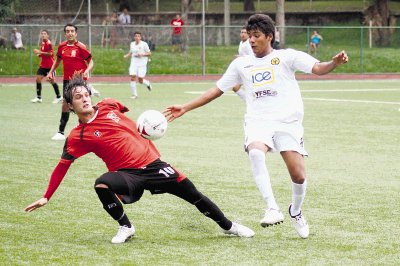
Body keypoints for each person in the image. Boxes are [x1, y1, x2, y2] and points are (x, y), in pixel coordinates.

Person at [164, 14, 348, 239]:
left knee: (299, 176)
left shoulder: (286, 57)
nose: (251, 40)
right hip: (258, 121)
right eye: (249, 36)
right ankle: (272, 207)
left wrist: (334, 63)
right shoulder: (241, 64)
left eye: (256, 36)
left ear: (269, 37)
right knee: (255, 151)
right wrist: (185, 107)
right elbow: (217, 90)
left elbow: (318, 68)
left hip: (288, 122)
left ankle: (296, 211)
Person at [24, 76, 255, 244]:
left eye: (86, 94)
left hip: (154, 164)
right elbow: (62, 166)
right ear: (70, 105)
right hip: (127, 175)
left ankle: (229, 226)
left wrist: (144, 128)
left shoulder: (109, 105)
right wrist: (46, 196)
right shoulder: (78, 136)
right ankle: (126, 227)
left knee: (193, 195)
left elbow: (127, 113)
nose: (84, 99)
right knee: (101, 184)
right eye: (78, 97)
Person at [46, 23, 100, 141]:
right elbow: (57, 61)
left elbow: (91, 62)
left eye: (72, 31)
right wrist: (51, 72)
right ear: (65, 33)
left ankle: (90, 129)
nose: (70, 33)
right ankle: (61, 132)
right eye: (68, 31)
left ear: (76, 33)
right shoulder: (62, 46)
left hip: (79, 80)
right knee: (66, 105)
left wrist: (87, 70)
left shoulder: (81, 47)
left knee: (83, 105)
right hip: (67, 80)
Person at [31, 30, 62, 104]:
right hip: (43, 66)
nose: (43, 35)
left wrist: (39, 52)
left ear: (48, 35)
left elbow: (50, 54)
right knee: (38, 79)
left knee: (51, 81)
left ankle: (59, 97)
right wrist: (40, 55)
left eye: (45, 34)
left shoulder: (49, 43)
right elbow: (44, 54)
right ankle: (39, 97)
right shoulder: (43, 42)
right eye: (42, 34)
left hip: (50, 66)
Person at [123, 32, 152, 99]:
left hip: (142, 63)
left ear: (140, 37)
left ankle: (147, 83)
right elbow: (131, 52)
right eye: (136, 36)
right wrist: (127, 56)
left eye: (138, 36)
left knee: (140, 80)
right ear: (134, 37)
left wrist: (142, 54)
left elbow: (149, 53)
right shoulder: (132, 44)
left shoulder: (144, 44)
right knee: (133, 77)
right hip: (134, 62)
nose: (137, 37)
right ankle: (135, 95)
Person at [232, 26, 252, 102]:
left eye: (245, 33)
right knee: (235, 87)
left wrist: (240, 57)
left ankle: (251, 103)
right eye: (241, 32)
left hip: (249, 70)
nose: (243, 34)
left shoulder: (249, 43)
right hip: (243, 69)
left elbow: (252, 57)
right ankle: (248, 101)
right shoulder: (241, 43)